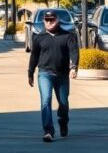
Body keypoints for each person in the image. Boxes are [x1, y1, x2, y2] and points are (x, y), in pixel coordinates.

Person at [27, 9, 79, 142]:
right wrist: (30, 73)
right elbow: (34, 56)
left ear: (57, 20)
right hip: (44, 73)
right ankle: (48, 130)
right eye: (46, 20)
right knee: (46, 100)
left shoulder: (68, 36)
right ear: (44, 21)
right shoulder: (39, 37)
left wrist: (74, 67)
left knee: (63, 103)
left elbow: (74, 52)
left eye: (52, 20)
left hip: (62, 74)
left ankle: (63, 121)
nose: (49, 22)